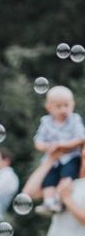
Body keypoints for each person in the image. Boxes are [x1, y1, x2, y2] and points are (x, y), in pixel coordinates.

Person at [33, 86, 85, 215]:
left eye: (66, 105)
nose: (63, 110)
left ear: (72, 105)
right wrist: (46, 147)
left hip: (71, 157)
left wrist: (62, 145)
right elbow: (38, 142)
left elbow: (81, 139)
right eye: (58, 106)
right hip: (53, 160)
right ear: (49, 107)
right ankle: (49, 202)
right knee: (48, 179)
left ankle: (59, 200)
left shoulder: (74, 120)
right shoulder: (45, 122)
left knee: (67, 176)